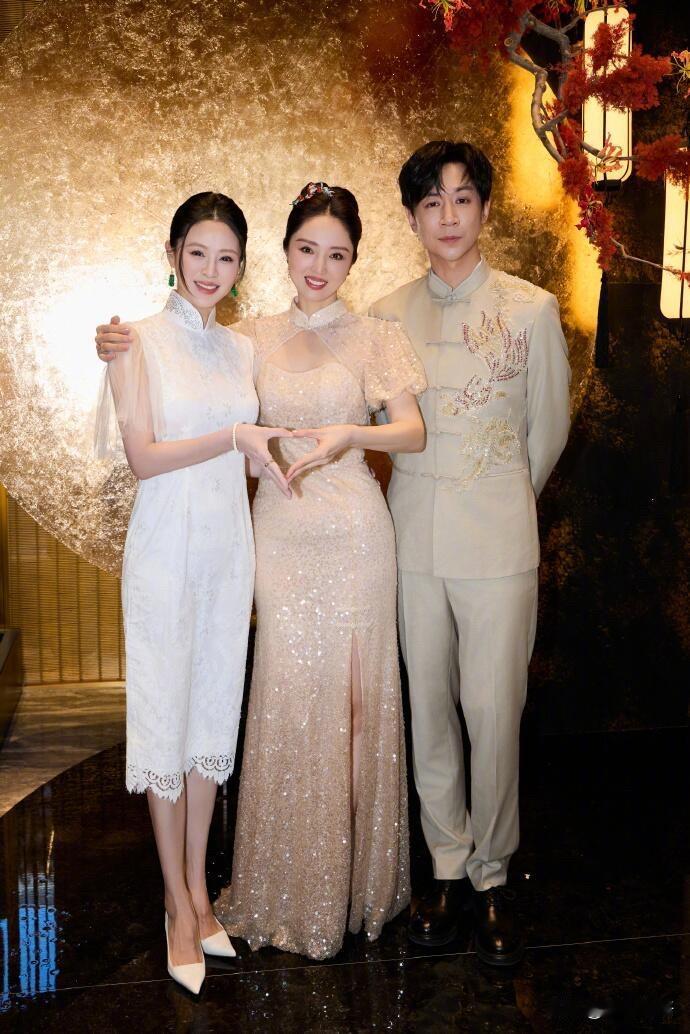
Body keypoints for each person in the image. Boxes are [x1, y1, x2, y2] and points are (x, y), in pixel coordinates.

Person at [95, 182, 427, 961]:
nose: (319, 265)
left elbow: (410, 432)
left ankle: (334, 886)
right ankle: (248, 891)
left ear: (354, 260)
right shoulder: (242, 339)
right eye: (306, 248)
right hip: (265, 536)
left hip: (342, 535)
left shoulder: (361, 338)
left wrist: (350, 433)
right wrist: (114, 343)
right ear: (280, 254)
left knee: (341, 708)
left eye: (337, 253)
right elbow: (191, 416)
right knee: (273, 701)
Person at [369, 141, 571, 966]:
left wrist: (497, 493)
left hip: (497, 542)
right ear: (412, 218)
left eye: (462, 198)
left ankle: (493, 872)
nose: (448, 215)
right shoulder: (384, 314)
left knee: (493, 713)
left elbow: (547, 432)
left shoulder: (531, 309)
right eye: (431, 202)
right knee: (429, 710)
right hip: (413, 540)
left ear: (485, 208)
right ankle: (446, 866)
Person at [94, 191, 292, 993]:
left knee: (210, 719)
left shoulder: (242, 350)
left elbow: (255, 449)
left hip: (226, 552)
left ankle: (202, 892)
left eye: (227, 256)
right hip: (164, 555)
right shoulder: (134, 340)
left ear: (242, 267)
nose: (212, 269)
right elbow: (143, 458)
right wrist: (234, 436)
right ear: (173, 253)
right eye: (199, 252)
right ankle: (176, 903)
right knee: (165, 726)